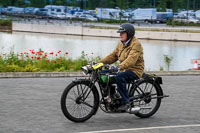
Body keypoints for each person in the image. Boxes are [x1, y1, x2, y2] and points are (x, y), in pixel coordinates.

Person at [99, 23, 144, 111]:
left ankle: (126, 102)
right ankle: (109, 97)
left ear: (129, 33)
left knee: (120, 77)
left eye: (122, 33)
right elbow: (113, 56)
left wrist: (118, 67)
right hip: (123, 68)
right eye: (120, 33)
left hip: (135, 70)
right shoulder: (121, 43)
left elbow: (131, 60)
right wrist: (99, 63)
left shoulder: (136, 44)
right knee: (102, 74)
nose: (120, 35)